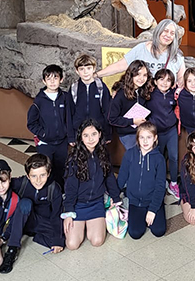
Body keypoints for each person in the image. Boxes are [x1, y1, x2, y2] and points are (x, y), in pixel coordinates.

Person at [0, 154, 64, 274]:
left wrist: (57, 241)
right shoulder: (22, 183)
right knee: (25, 203)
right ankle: (12, 249)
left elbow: (56, 215)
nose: (38, 180)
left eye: (42, 175)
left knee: (62, 241)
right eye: (33, 176)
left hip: (40, 222)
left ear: (49, 173)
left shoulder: (54, 188)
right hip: (22, 218)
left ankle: (36, 235)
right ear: (27, 175)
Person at [63, 120, 122, 250]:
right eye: (86, 135)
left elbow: (109, 177)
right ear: (81, 137)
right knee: (72, 245)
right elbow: (70, 188)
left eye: (94, 134)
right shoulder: (74, 158)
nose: (90, 139)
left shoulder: (103, 153)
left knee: (97, 241)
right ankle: (81, 226)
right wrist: (68, 212)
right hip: (78, 205)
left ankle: (89, 226)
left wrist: (116, 198)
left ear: (100, 134)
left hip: (96, 204)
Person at [95, 19, 186, 87]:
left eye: (172, 33)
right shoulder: (141, 49)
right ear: (158, 31)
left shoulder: (177, 55)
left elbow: (181, 78)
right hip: (144, 98)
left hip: (165, 102)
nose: (168, 35)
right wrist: (96, 75)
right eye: (165, 31)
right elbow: (120, 66)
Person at [117, 122, 167, 239]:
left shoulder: (159, 159)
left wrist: (153, 210)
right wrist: (114, 197)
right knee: (135, 233)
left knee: (159, 231)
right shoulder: (130, 154)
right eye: (142, 137)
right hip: (135, 201)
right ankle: (141, 217)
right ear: (137, 139)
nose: (145, 141)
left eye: (149, 137)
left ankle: (154, 211)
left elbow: (160, 186)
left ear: (155, 138)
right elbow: (122, 177)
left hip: (152, 200)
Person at [27, 64, 73, 189]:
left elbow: (69, 118)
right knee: (45, 170)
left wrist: (70, 137)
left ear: (61, 80)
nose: (52, 81)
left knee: (61, 169)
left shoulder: (65, 97)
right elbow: (31, 123)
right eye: (49, 78)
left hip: (62, 143)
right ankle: (47, 194)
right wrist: (43, 134)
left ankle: (60, 193)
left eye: (56, 78)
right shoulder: (39, 101)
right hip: (46, 143)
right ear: (44, 81)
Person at [147, 68, 180, 200]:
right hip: (156, 132)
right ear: (155, 81)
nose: (165, 83)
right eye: (161, 79)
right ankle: (158, 183)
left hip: (171, 130)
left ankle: (173, 183)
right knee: (158, 158)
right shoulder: (149, 94)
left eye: (168, 80)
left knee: (174, 157)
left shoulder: (174, 94)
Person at [108, 60, 153, 149]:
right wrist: (132, 121)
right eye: (138, 74)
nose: (141, 78)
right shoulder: (120, 94)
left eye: (144, 75)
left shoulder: (143, 91)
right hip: (127, 133)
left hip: (142, 131)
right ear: (131, 74)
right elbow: (112, 119)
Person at [71, 54, 112, 143]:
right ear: (77, 71)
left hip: (98, 131)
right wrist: (71, 136)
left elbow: (107, 111)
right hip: (79, 131)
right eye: (82, 69)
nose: (85, 72)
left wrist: (107, 134)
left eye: (88, 68)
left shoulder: (101, 87)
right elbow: (70, 113)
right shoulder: (74, 88)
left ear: (94, 69)